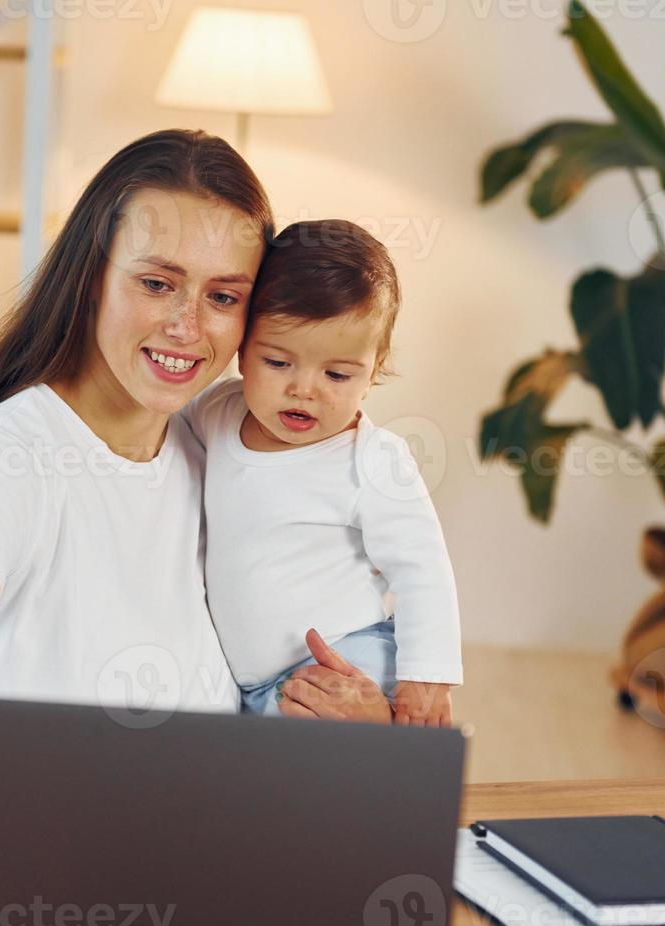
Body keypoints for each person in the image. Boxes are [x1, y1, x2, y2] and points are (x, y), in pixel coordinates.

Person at [0, 130, 399, 788]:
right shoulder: (3, 460)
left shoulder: (217, 455)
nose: (187, 326)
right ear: (91, 280)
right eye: (157, 283)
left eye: (223, 297)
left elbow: (283, 680)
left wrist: (365, 729)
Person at [183, 220, 463, 727]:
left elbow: (423, 571)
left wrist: (427, 676)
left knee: (343, 768)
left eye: (337, 374)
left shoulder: (373, 459)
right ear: (242, 351)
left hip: (348, 656)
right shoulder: (216, 413)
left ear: (374, 371)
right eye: (277, 362)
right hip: (253, 682)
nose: (304, 389)